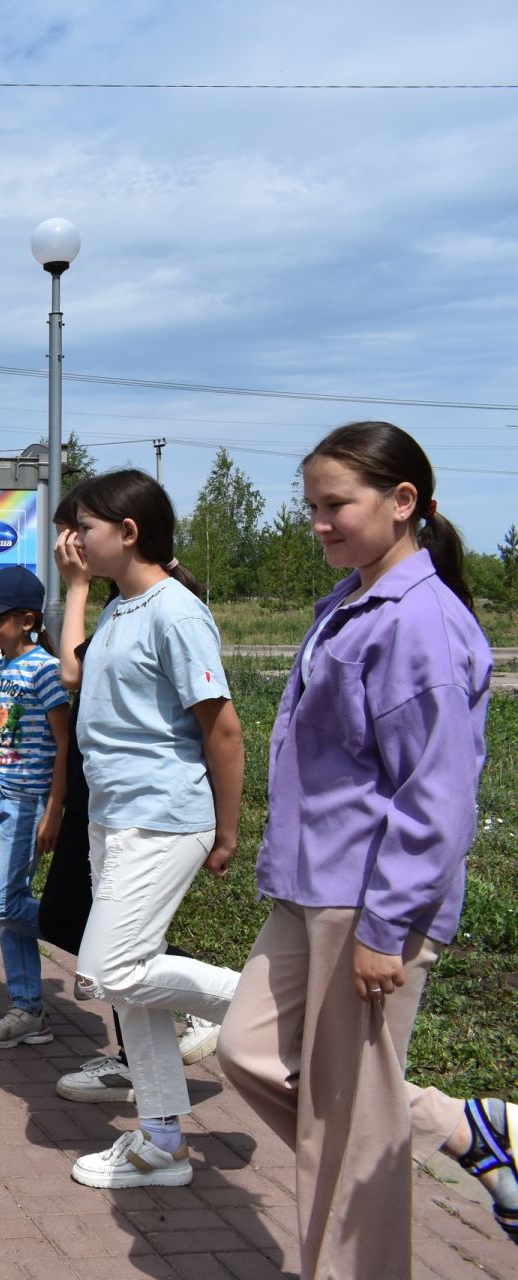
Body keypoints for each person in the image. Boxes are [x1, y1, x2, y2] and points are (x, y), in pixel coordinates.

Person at [214, 423, 517, 1266]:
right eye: (311, 505)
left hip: (369, 895)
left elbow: (439, 793)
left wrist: (387, 927)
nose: (318, 522)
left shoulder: (417, 621)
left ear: (402, 502)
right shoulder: (355, 599)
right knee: (252, 1055)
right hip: (311, 884)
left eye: (335, 504)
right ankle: (460, 1125)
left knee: (348, 1132)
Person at [52, 470, 242, 1192]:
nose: (73, 541)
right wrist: (74, 586)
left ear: (128, 533)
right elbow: (74, 678)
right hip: (114, 817)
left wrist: (225, 831)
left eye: (85, 529)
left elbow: (222, 729)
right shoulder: (120, 609)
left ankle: (267, 1003)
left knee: (110, 970)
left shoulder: (176, 612)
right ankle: (162, 1140)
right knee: (135, 992)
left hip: (163, 819)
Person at [0, 566, 71, 1050]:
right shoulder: (2, 667)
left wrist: (54, 809)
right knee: (8, 909)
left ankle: (85, 936)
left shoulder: (45, 669)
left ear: (27, 619)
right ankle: (28, 1009)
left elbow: (66, 745)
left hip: (28, 801)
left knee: (0, 904)